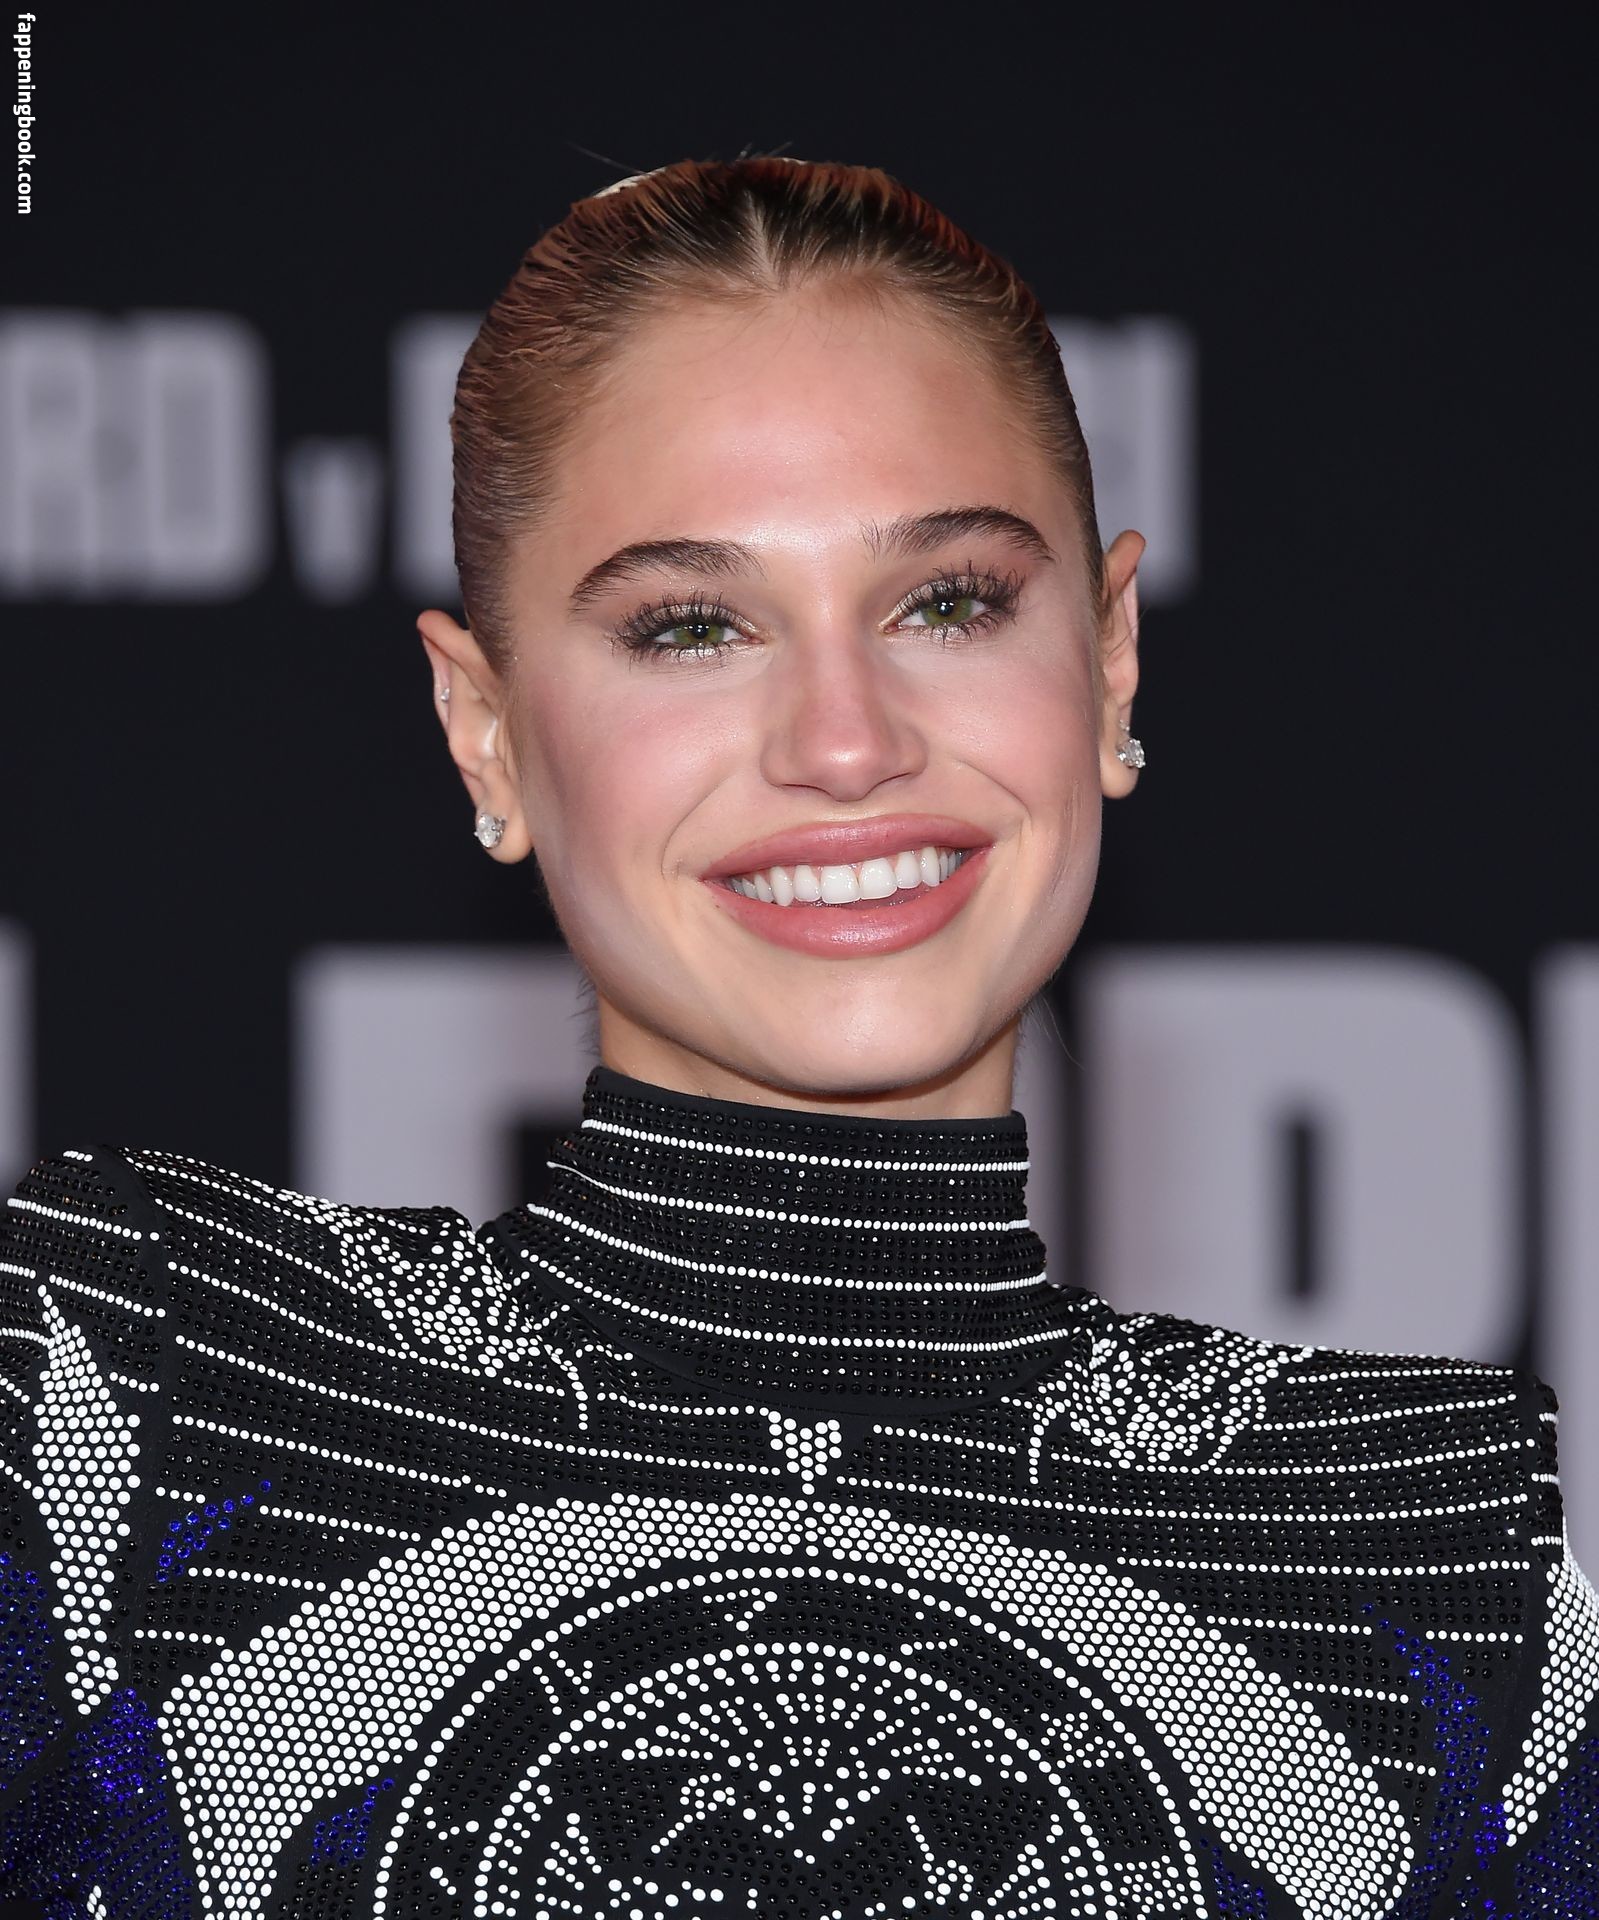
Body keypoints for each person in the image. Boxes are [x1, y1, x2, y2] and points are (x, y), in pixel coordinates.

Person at [2, 155, 1594, 1917]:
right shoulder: (130, 1378)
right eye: (693, 627)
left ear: (1111, 660)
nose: (846, 741)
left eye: (948, 602)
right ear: (486, 732)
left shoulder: (1428, 1540)